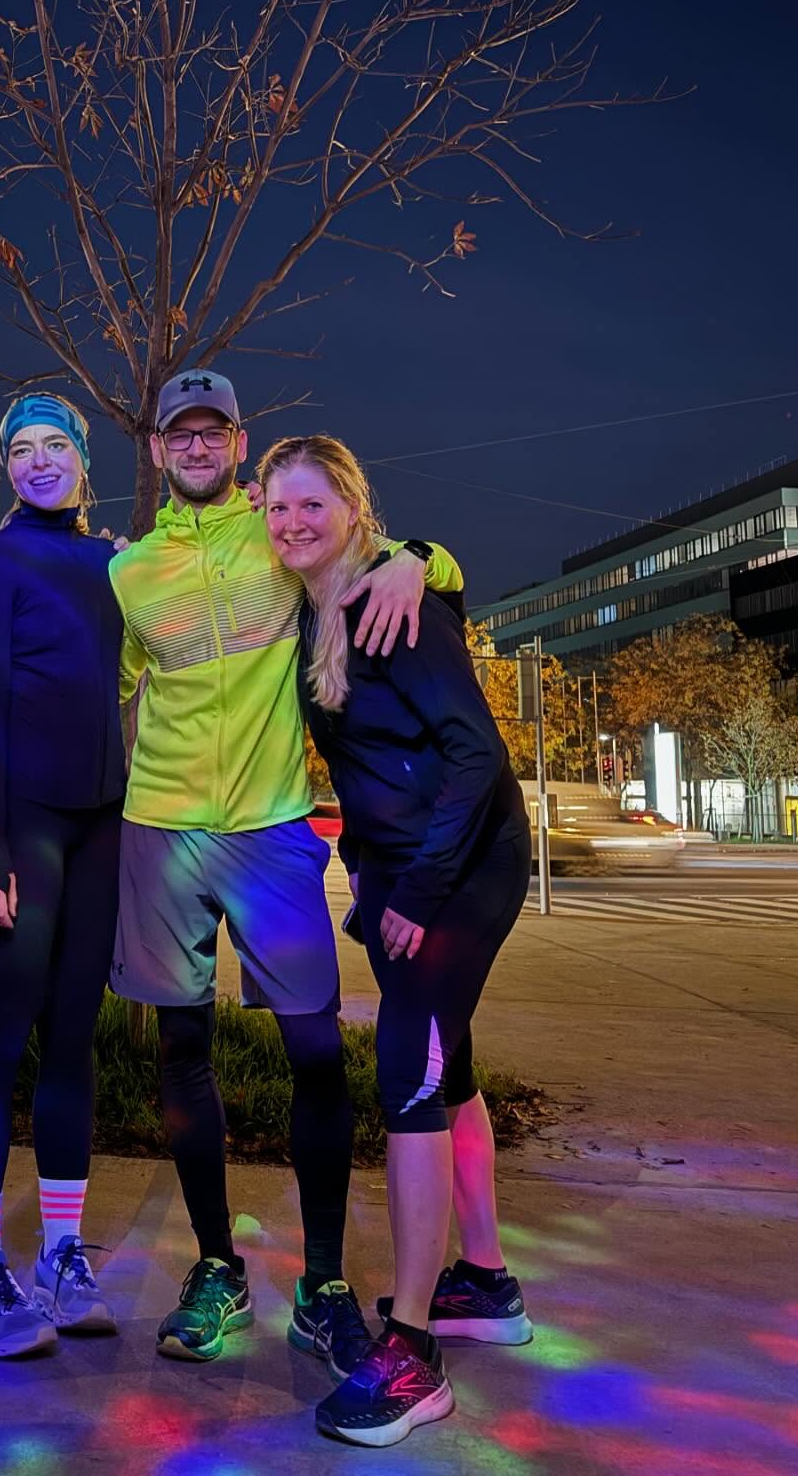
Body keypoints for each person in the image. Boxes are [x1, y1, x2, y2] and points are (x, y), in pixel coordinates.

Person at [106, 369, 462, 1377]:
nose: (196, 445)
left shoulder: (280, 534)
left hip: (273, 832)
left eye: (214, 430)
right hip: (161, 832)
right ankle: (217, 1264)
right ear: (157, 448)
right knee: (182, 1052)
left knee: (314, 1052)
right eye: (180, 433)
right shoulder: (128, 573)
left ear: (237, 440)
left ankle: (325, 1282)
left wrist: (417, 562)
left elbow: (409, 557)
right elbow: (87, 678)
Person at [258, 434, 532, 1450]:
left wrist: (412, 887)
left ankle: (414, 1355)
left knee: (407, 1066)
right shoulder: (321, 600)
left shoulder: (390, 605)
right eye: (277, 508)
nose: (292, 525)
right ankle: (486, 1281)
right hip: (405, 869)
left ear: (351, 507)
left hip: (461, 864)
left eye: (311, 507)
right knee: (446, 1066)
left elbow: (474, 752)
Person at [0, 394, 126, 1357]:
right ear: (5, 470)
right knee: (3, 1035)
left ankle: (62, 1252)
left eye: (58, 445)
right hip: (24, 830)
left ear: (84, 461)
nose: (40, 461)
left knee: (73, 1040)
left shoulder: (111, 563)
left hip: (103, 826)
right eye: (22, 450)